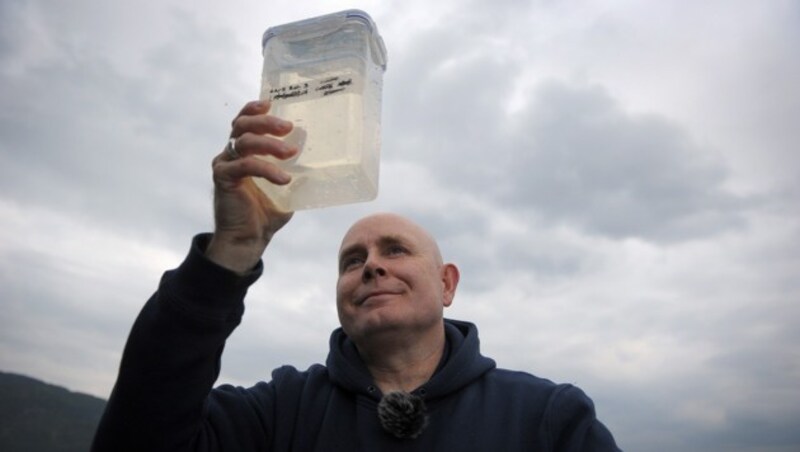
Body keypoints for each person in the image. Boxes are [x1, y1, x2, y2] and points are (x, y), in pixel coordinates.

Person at [91, 100, 621, 451]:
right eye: (352, 260)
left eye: (395, 250)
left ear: (447, 284)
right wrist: (230, 250)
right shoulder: (278, 411)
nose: (371, 265)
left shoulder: (548, 419)